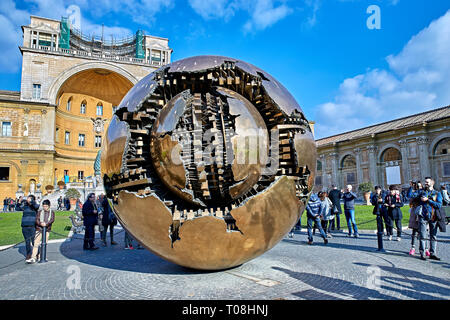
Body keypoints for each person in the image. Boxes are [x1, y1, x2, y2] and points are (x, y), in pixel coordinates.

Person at [417, 177, 444, 261]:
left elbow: (439, 205)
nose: (426, 183)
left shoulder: (437, 193)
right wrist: (414, 187)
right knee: (422, 235)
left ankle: (433, 253)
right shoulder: (422, 192)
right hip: (423, 216)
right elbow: (410, 196)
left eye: (427, 182)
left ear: (432, 183)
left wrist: (428, 200)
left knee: (433, 235)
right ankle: (422, 253)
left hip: (433, 217)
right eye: (425, 182)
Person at [28, 199, 55, 264]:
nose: (45, 207)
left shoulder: (52, 212)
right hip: (39, 229)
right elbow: (36, 219)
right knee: (36, 243)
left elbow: (52, 219)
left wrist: (46, 224)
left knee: (44, 244)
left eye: (46, 206)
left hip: (47, 229)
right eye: (44, 206)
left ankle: (42, 256)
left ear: (49, 206)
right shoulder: (40, 212)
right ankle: (33, 257)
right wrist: (40, 223)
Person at [19, 195, 39, 261]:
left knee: (34, 241)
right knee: (27, 242)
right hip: (25, 226)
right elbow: (17, 208)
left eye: (29, 198)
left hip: (32, 226)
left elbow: (36, 206)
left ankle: (37, 253)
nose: (27, 199)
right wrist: (19, 202)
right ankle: (28, 254)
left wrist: (31, 201)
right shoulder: (25, 206)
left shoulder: (34, 206)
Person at [371, 186, 386, 251]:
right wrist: (376, 201)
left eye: (378, 189)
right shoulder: (374, 196)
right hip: (377, 209)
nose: (377, 191)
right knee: (379, 221)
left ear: (380, 190)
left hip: (383, 209)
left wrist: (382, 201)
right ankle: (380, 231)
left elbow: (386, 200)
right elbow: (373, 203)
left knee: (386, 220)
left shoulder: (383, 195)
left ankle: (387, 232)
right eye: (376, 190)